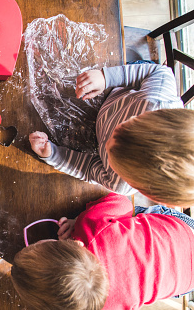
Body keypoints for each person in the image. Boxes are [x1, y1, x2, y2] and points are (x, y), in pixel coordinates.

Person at [29, 64, 194, 206]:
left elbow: (89, 168)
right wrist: (106, 77)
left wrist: (54, 155)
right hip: (116, 94)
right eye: (126, 125)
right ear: (146, 115)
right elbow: (158, 71)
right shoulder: (155, 100)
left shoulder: (119, 184)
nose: (108, 143)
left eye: (111, 153)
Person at [11, 193, 194, 310]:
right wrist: (81, 218)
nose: (32, 244)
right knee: (127, 217)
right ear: (75, 244)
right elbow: (122, 202)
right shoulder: (93, 225)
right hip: (183, 234)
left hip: (186, 276)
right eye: (36, 245)